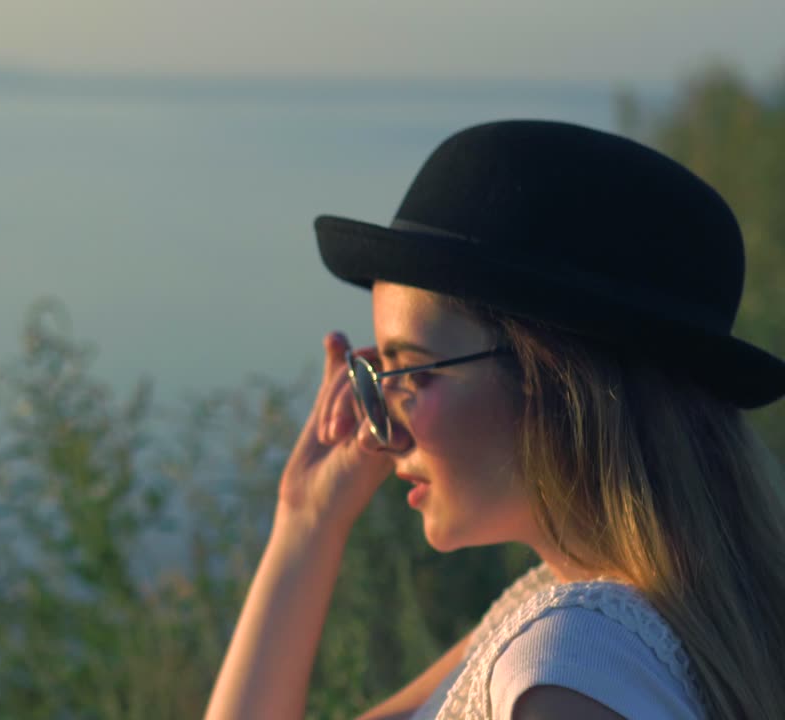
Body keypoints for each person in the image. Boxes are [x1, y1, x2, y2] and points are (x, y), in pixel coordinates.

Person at [203, 120, 785, 720]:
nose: (381, 429)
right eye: (379, 377)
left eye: (413, 373)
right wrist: (308, 518)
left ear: (555, 386)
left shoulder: (569, 668)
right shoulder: (564, 616)